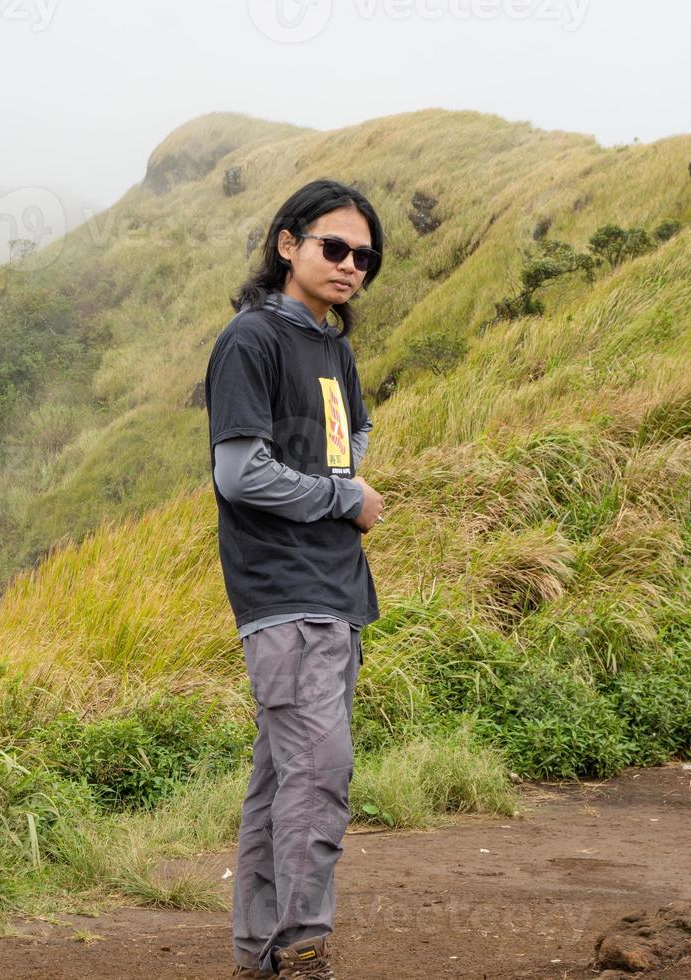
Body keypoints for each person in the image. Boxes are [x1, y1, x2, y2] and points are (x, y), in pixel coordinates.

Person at [204, 179, 386, 979]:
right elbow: (240, 474)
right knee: (319, 773)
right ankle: (302, 948)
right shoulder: (252, 340)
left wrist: (346, 477)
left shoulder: (334, 347)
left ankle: (259, 953)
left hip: (336, 591)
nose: (351, 266)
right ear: (289, 244)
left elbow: (352, 438)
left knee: (284, 777)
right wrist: (343, 497)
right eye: (334, 247)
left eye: (365, 258)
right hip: (283, 591)